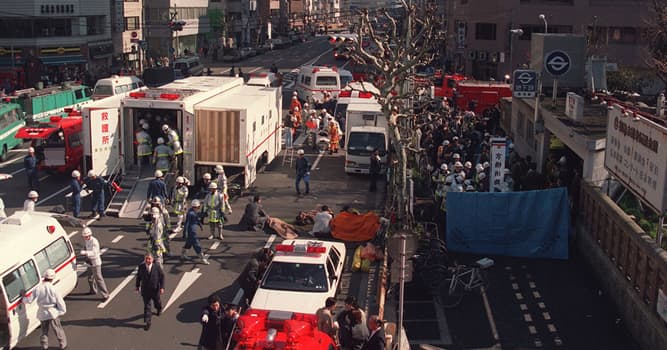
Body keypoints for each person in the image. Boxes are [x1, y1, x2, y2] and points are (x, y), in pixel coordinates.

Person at [22, 269, 67, 350]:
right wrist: (61, 311)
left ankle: (44, 346)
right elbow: (60, 301)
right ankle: (63, 344)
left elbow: (29, 300)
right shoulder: (53, 289)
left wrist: (23, 297)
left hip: (42, 312)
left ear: (44, 277)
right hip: (53, 312)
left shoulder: (38, 288)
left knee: (44, 331)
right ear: (52, 278)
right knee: (57, 329)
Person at [135, 253, 165, 331]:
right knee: (147, 306)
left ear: (152, 259)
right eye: (146, 259)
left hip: (155, 290)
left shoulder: (157, 267)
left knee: (157, 301)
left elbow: (162, 277)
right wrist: (137, 286)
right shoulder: (141, 267)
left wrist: (162, 287)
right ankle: (148, 322)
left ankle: (159, 308)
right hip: (145, 290)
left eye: (149, 259)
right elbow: (138, 277)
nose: (147, 260)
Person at [80, 227, 110, 301]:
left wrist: (85, 252)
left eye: (86, 236)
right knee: (90, 278)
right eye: (84, 236)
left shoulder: (94, 242)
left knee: (98, 279)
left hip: (95, 263)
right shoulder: (87, 241)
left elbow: (95, 253)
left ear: (90, 235)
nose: (86, 238)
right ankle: (93, 290)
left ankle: (105, 295)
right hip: (90, 262)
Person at [181, 199, 210, 264]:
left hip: (192, 230)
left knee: (188, 243)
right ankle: (202, 258)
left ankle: (183, 254)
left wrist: (200, 225)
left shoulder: (193, 212)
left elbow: (196, 220)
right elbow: (187, 223)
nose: (198, 209)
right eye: (197, 207)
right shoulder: (190, 213)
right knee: (197, 245)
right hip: (192, 232)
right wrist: (184, 232)